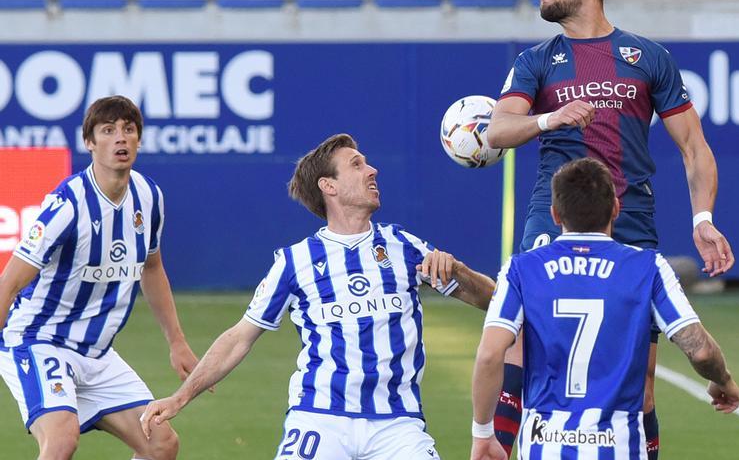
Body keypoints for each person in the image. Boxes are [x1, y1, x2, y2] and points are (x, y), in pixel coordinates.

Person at [485, 0, 735, 457]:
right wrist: (549, 118)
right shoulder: (535, 61)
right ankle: (497, 447)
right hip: (553, 216)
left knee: (639, 383)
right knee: (522, 348)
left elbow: (694, 147)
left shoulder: (648, 58)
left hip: (631, 217)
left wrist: (702, 219)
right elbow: (496, 131)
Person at [139, 133, 495, 459]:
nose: (372, 170)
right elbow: (238, 338)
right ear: (329, 186)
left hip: (398, 424)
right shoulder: (295, 262)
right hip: (319, 418)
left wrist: (459, 271)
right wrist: (180, 396)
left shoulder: (405, 248)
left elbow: (492, 302)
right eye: (356, 164)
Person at [470, 157, 739, 460]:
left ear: (555, 214)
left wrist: (482, 433)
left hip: (543, 447)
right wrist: (723, 380)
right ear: (616, 208)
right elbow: (700, 349)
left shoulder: (521, 269)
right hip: (619, 447)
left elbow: (490, 354)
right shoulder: (647, 267)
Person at [0, 95, 200, 460]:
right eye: (108, 131)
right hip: (38, 339)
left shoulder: (149, 197)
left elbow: (151, 268)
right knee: (61, 440)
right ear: (89, 143)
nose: (120, 139)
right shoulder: (67, 205)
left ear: (139, 138)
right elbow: (9, 283)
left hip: (97, 353)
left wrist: (177, 341)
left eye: (128, 129)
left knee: (161, 445)